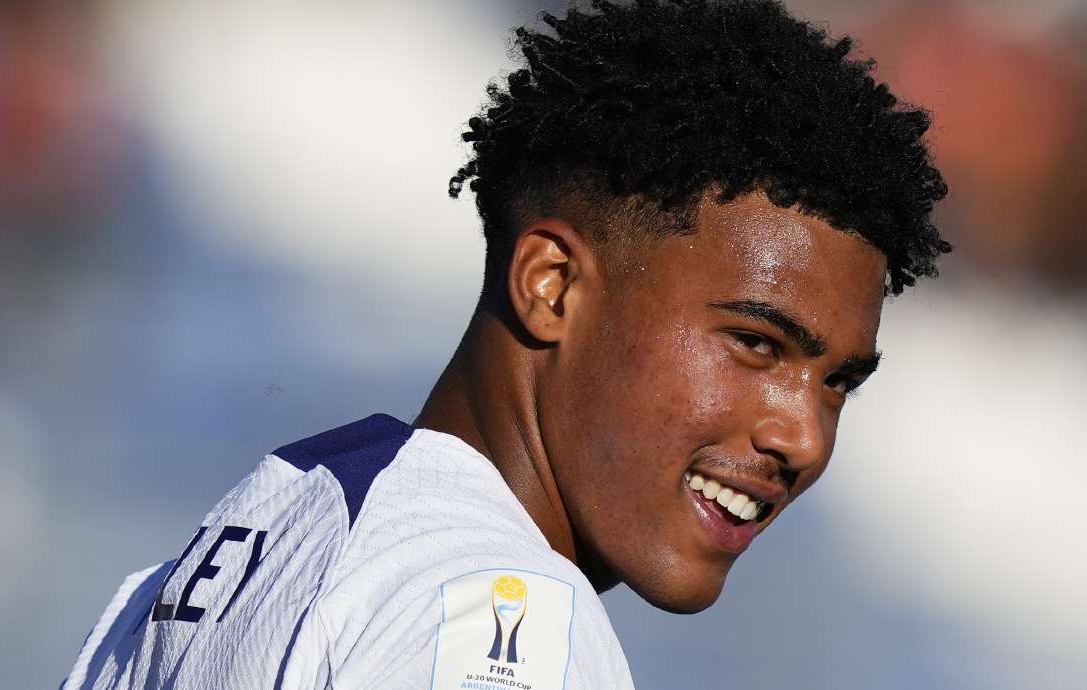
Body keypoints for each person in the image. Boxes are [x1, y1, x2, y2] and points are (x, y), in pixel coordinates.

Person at [62, 1, 950, 688]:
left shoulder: (267, 526)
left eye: (839, 382)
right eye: (755, 343)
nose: (804, 437)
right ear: (551, 285)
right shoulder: (502, 613)